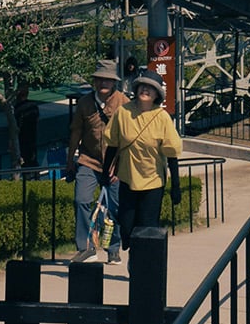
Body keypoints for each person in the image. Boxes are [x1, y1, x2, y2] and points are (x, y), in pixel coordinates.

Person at [105, 68, 183, 253]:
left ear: (157, 94)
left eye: (151, 88)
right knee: (126, 225)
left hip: (153, 180)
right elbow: (113, 145)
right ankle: (133, 250)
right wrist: (104, 171)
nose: (145, 90)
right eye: (142, 86)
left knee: (147, 229)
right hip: (127, 178)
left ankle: (141, 265)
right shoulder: (123, 113)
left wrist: (176, 186)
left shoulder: (162, 117)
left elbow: (171, 154)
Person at [66, 59, 126, 263]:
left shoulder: (123, 102)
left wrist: (121, 166)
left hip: (115, 164)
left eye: (108, 80)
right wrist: (70, 160)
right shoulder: (84, 103)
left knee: (115, 208)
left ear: (114, 83)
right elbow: (75, 132)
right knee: (81, 200)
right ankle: (85, 247)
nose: (103, 84)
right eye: (100, 79)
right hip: (88, 160)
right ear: (94, 80)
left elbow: (129, 137)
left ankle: (113, 248)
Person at [13, 82, 40, 173]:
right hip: (32, 135)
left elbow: (16, 124)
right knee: (32, 157)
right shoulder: (33, 106)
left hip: (22, 137)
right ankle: (34, 174)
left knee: (23, 158)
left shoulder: (18, 108)